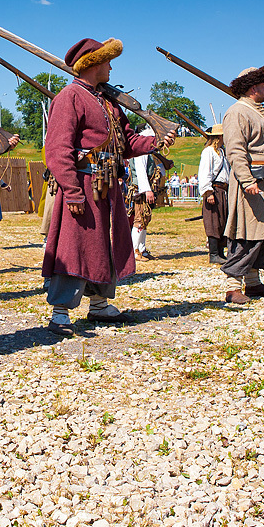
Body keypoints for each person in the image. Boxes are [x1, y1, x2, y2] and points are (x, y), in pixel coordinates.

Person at [43, 37, 172, 335]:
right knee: (74, 247)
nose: (111, 67)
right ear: (93, 64)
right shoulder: (69, 97)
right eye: (107, 61)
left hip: (108, 186)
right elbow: (58, 150)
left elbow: (127, 142)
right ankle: (60, 312)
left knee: (104, 245)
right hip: (84, 184)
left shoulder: (109, 101)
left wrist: (156, 142)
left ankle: (99, 304)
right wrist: (73, 191)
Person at [221, 66, 264, 300]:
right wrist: (246, 179)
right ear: (254, 88)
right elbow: (235, 150)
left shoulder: (259, 112)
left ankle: (253, 282)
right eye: (263, 85)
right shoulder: (237, 112)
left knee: (262, 234)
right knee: (246, 235)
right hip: (253, 182)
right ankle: (232, 287)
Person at [129, 127, 171, 260]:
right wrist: (147, 190)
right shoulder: (141, 150)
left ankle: (141, 249)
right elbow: (141, 171)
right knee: (139, 219)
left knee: (145, 219)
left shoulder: (146, 149)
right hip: (141, 190)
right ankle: (135, 250)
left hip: (145, 189)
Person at [196, 124, 230, 265]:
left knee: (222, 221)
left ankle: (221, 252)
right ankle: (214, 254)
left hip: (223, 190)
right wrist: (208, 192)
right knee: (213, 222)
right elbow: (205, 172)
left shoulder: (221, 152)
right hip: (213, 190)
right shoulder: (208, 152)